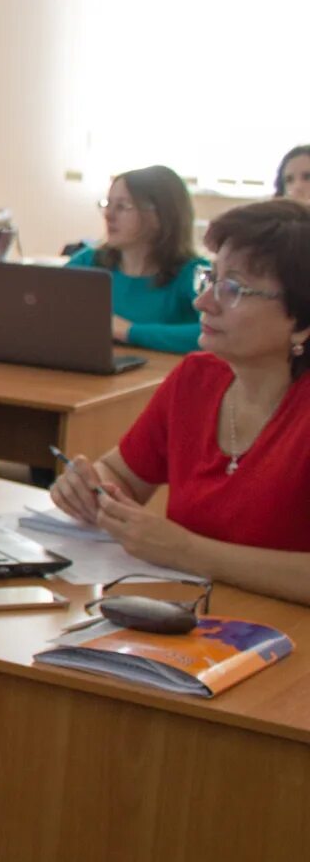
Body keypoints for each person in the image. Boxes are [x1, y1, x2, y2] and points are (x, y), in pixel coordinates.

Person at [51, 199, 310, 605]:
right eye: (210, 279)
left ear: (303, 321)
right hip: (188, 615)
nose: (203, 302)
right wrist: (91, 488)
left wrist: (187, 551)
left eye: (234, 289)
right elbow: (121, 474)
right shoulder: (197, 378)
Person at [67, 165, 209, 353]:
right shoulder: (90, 261)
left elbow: (220, 334)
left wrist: (129, 332)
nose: (108, 216)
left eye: (122, 206)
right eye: (107, 204)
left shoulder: (194, 272)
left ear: (160, 215)